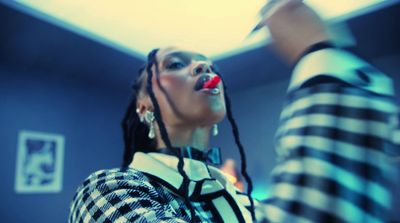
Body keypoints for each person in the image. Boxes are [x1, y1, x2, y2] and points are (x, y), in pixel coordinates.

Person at [68, 0, 399, 222]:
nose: (201, 65)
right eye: (177, 63)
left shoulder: (242, 202)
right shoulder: (106, 190)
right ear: (144, 106)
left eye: (208, 64)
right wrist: (319, 53)